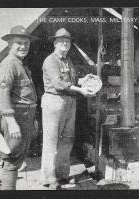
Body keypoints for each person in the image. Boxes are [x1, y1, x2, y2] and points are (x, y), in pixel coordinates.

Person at [40, 28, 95, 189]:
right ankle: (49, 179)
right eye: (61, 41)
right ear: (55, 43)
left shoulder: (67, 60)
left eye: (68, 41)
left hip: (69, 102)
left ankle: (62, 175)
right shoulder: (51, 61)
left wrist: (83, 80)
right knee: (51, 141)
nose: (65, 43)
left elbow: (72, 80)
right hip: (54, 102)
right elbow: (58, 84)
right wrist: (80, 90)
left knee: (67, 140)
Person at [0, 25, 38, 190]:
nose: (24, 46)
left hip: (25, 117)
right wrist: (11, 123)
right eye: (19, 42)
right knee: (11, 160)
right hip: (16, 118)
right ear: (10, 44)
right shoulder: (9, 64)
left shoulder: (20, 64)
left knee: (17, 160)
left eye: (26, 43)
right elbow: (2, 95)